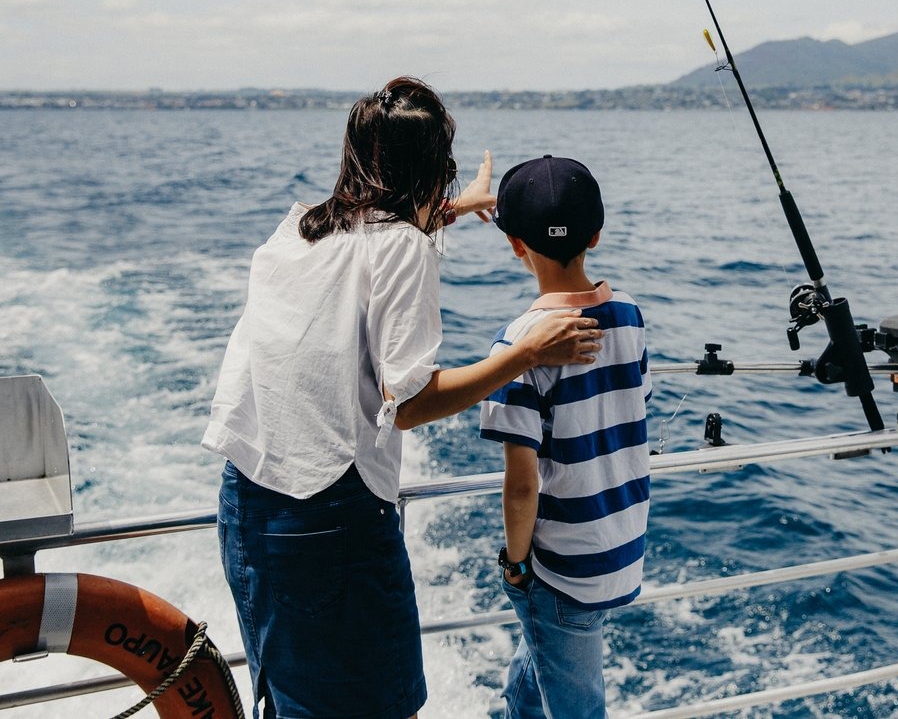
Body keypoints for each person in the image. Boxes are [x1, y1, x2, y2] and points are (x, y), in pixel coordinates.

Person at [202, 78, 603, 719]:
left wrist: (450, 210)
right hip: (331, 520)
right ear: (431, 169)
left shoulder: (297, 229)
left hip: (247, 507)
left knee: (287, 701)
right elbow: (409, 403)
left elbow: (370, 237)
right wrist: (526, 355)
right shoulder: (405, 249)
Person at [479, 155, 651, 718]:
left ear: (516, 245)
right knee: (539, 670)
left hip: (561, 568)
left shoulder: (518, 345)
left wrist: (515, 562)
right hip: (620, 546)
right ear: (595, 235)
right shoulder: (629, 315)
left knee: (576, 706)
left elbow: (522, 485)